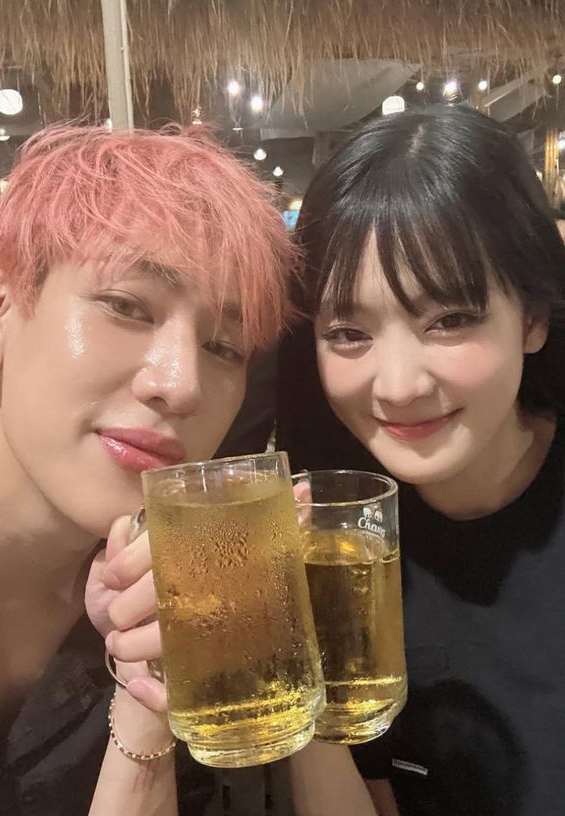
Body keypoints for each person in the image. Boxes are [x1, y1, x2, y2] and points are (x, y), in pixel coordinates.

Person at [0, 123, 297, 815]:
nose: (181, 386)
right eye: (127, 306)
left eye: (225, 348)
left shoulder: (181, 607)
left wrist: (149, 704)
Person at [276, 105, 565, 816]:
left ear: (533, 317)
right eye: (348, 332)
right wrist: (289, 645)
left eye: (450, 320)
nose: (399, 386)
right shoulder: (334, 549)